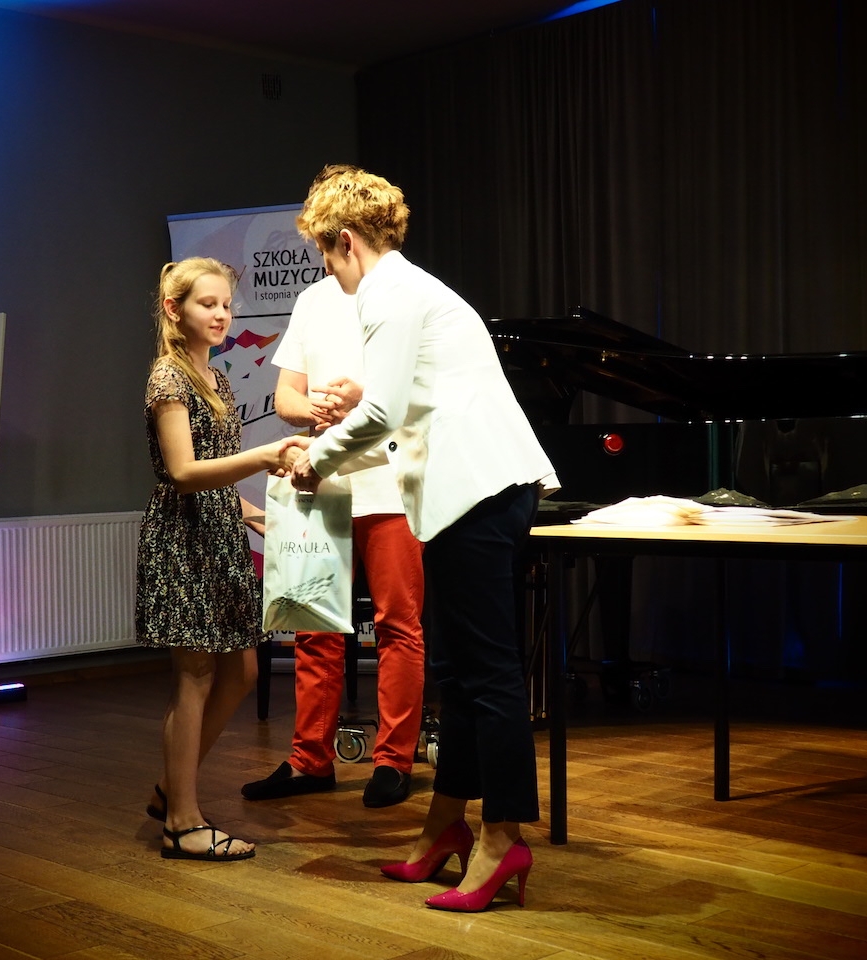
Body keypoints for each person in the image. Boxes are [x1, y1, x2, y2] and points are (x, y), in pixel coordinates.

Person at [284, 165, 559, 912]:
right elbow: (409, 400)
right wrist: (354, 411)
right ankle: (445, 826)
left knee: (489, 675)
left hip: (478, 493)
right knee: (460, 674)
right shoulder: (411, 289)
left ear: (345, 241)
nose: (329, 271)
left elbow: (380, 416)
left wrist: (316, 458)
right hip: (470, 495)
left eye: (326, 254)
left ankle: (503, 838)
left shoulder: (388, 293)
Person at [240, 274, 426, 809]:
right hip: (322, 480)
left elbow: (427, 395)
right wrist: (317, 412)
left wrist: (365, 403)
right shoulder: (313, 299)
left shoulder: (406, 293)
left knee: (398, 625)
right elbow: (286, 396)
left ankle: (393, 761)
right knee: (313, 624)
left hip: (392, 484)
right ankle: (309, 760)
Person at [136, 257, 299, 862]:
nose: (222, 314)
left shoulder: (215, 378)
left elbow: (214, 477)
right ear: (174, 309)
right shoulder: (169, 377)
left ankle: (170, 789)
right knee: (196, 676)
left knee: (243, 672)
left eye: (227, 304)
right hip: (184, 539)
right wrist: (264, 457)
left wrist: (254, 513)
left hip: (219, 535)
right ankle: (182, 820)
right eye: (208, 303)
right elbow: (182, 472)